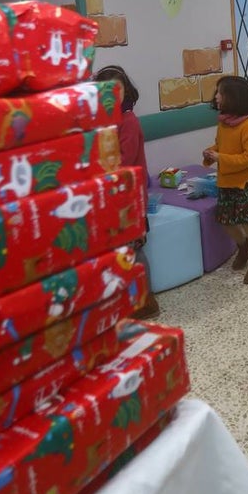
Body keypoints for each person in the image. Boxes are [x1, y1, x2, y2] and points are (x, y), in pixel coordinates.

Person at [94, 64, 160, 318]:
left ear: (126, 92)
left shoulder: (128, 121)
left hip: (129, 196)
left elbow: (124, 160)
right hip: (112, 194)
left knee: (134, 247)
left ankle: (148, 300)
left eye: (116, 91)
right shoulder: (105, 123)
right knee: (120, 247)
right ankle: (129, 298)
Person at [202, 76, 248, 284]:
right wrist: (211, 152)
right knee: (225, 221)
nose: (216, 96)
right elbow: (220, 146)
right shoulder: (223, 123)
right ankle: (243, 247)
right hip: (226, 181)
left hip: (245, 184)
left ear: (233, 98)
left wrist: (220, 157)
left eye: (220, 93)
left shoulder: (247, 126)